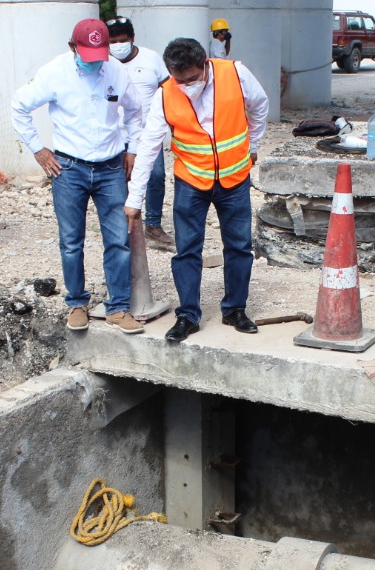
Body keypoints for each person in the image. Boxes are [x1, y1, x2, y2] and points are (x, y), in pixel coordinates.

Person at [125, 37, 268, 343]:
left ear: (205, 65)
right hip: (191, 180)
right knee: (187, 249)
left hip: (234, 178)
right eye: (179, 80)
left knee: (239, 247)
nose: (186, 85)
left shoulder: (235, 73)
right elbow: (149, 145)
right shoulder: (165, 94)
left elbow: (260, 106)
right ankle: (188, 315)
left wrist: (253, 145)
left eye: (192, 78)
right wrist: (134, 199)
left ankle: (234, 310)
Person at [11, 19, 146, 334]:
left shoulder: (115, 70)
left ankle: (118, 308)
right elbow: (19, 106)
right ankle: (76, 304)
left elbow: (136, 110)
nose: (94, 61)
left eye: (99, 54)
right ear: (72, 47)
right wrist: (38, 150)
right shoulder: (54, 73)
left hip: (111, 166)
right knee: (72, 241)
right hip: (69, 167)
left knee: (117, 239)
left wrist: (133, 148)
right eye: (86, 53)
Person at [106, 16, 173, 248]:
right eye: (112, 41)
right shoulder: (104, 62)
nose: (118, 45)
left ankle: (153, 225)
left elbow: (168, 90)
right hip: (115, 134)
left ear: (132, 38)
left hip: (149, 132)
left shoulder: (151, 58)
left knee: (155, 178)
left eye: (122, 40)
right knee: (117, 180)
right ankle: (124, 226)